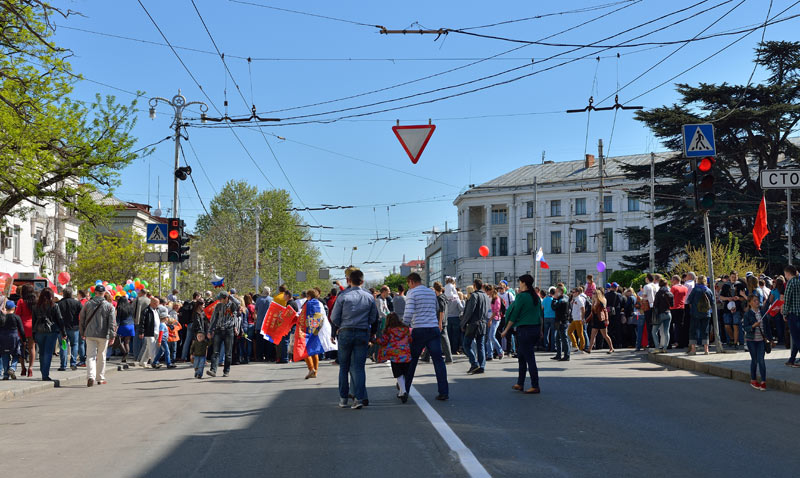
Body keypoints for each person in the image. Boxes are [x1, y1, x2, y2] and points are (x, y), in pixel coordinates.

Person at [330, 268, 378, 409]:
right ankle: (359, 398)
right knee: (359, 367)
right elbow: (373, 317)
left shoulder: (343, 296)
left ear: (349, 280)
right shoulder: (369, 297)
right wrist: (370, 330)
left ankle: (343, 399)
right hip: (362, 333)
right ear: (362, 281)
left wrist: (341, 325)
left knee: (344, 367)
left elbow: (334, 317)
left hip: (345, 332)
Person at [403, 272, 449, 401]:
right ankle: (443, 391)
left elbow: (409, 312)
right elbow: (436, 308)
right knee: (438, 360)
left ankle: (404, 389)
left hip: (419, 329)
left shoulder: (412, 293)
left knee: (412, 360)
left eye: (409, 284)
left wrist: (403, 326)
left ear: (411, 281)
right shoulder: (431, 292)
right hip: (433, 328)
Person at [501, 274, 543, 394]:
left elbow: (514, 315)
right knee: (521, 357)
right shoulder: (535, 296)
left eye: (520, 282)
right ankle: (520, 383)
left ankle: (535, 385)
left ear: (524, 283)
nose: (519, 283)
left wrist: (506, 330)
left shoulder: (521, 296)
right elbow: (540, 315)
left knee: (529, 358)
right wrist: (540, 330)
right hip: (534, 329)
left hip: (525, 330)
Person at [78, 288, 117, 387]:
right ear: (104, 293)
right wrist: (112, 336)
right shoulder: (109, 306)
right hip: (103, 335)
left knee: (90, 356)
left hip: (90, 333)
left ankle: (91, 376)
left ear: (95, 293)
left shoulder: (87, 304)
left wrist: (82, 332)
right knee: (101, 356)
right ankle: (100, 378)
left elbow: (81, 318)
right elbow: (112, 323)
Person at [376, 312, 412, 403]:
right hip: (406, 355)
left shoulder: (388, 331)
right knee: (404, 374)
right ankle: (401, 392)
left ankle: (403, 392)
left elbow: (383, 341)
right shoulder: (405, 329)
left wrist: (373, 339)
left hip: (395, 356)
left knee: (398, 374)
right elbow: (410, 339)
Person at [31, 288, 66, 381]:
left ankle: (43, 371)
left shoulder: (35, 306)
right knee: (48, 353)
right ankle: (45, 374)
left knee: (42, 352)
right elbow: (59, 319)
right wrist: (63, 332)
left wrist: (33, 333)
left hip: (39, 331)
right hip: (52, 331)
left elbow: (33, 321)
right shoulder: (54, 306)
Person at [208, 291, 240, 377]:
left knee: (228, 352)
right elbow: (213, 318)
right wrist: (210, 330)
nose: (220, 300)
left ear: (226, 298)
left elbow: (238, 303)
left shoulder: (232, 305)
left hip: (228, 330)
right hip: (218, 330)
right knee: (215, 351)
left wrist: (230, 297)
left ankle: (226, 371)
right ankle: (213, 370)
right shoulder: (218, 306)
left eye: (221, 299)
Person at [461, 278, 489, 375]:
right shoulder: (486, 296)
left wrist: (463, 323)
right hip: (483, 323)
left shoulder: (474, 295)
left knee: (466, 344)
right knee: (480, 346)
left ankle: (474, 363)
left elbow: (469, 311)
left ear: (474, 285)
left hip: (474, 324)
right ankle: (481, 366)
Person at [299, 289, 325, 379]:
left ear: (309, 296)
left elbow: (303, 315)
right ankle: (315, 371)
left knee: (305, 350)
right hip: (317, 328)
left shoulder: (308, 304)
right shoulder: (319, 303)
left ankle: (311, 368)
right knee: (314, 351)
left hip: (307, 328)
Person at [743, 294, 767, 390]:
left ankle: (763, 381)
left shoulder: (762, 312)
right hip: (751, 340)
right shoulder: (747, 314)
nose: (757, 302)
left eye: (757, 300)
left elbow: (767, 327)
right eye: (754, 300)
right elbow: (745, 328)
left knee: (761, 360)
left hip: (761, 340)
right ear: (750, 303)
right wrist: (753, 326)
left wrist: (770, 339)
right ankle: (753, 379)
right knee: (755, 360)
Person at [686, 275, 714, 355]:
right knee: (705, 330)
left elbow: (689, 300)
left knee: (693, 330)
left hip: (695, 313)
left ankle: (693, 350)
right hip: (706, 313)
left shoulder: (695, 290)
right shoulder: (708, 290)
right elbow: (712, 302)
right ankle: (706, 350)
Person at [57, 287, 82, 371]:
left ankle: (63, 365)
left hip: (62, 328)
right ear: (71, 294)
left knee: (63, 346)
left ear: (63, 294)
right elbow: (82, 314)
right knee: (74, 345)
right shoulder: (77, 303)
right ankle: (73, 363)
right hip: (74, 327)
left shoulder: (59, 304)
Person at [15, 284, 36, 377]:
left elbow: (17, 314)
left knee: (21, 348)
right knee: (32, 347)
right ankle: (30, 368)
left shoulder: (21, 301)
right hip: (32, 326)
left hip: (22, 326)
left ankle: (23, 368)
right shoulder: (35, 301)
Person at [1, 301, 25, 380]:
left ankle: (5, 374)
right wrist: (24, 339)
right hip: (14, 337)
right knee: (16, 354)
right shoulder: (16, 317)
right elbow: (21, 329)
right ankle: (12, 368)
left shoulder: (2, 317)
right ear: (14, 308)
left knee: (5, 355)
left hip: (3, 337)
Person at [782, 265, 800, 367]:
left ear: (788, 273)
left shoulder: (790, 283)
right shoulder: (799, 281)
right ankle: (792, 359)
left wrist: (784, 313)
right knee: (797, 337)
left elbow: (787, 300)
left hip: (793, 314)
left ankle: (792, 359)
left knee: (796, 338)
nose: (785, 276)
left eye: (785, 274)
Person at [136, 297, 160, 368]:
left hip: (156, 331)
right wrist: (141, 332)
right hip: (149, 332)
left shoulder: (156, 310)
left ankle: (143, 362)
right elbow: (142, 322)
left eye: (157, 303)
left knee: (148, 348)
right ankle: (154, 362)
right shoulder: (146, 310)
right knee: (152, 347)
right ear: (151, 302)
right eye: (155, 302)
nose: (157, 304)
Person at [550, 286, 570, 361]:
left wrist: (554, 299)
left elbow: (554, 307)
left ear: (560, 292)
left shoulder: (562, 300)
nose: (555, 293)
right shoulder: (563, 298)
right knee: (558, 338)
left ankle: (566, 355)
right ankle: (558, 354)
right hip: (559, 320)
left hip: (562, 320)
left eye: (557, 291)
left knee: (564, 338)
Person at [253, 287, 273, 362]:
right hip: (268, 323)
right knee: (268, 342)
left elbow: (255, 312)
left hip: (259, 323)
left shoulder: (259, 300)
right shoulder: (271, 300)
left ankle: (259, 357)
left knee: (259, 342)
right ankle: (268, 357)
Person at [669, 275, 688, 349]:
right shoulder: (685, 288)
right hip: (682, 307)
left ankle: (671, 342)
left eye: (672, 280)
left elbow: (670, 297)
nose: (671, 282)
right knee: (680, 326)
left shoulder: (673, 288)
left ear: (675, 280)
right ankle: (680, 342)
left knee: (670, 326)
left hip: (673, 308)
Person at [486, 284, 504, 360]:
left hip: (495, 319)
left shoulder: (496, 298)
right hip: (488, 318)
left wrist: (490, 320)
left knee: (492, 336)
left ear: (491, 291)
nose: (486, 292)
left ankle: (500, 351)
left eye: (487, 291)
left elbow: (496, 311)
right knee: (489, 338)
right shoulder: (489, 297)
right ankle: (490, 355)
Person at [115, 296, 135, 363]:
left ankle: (124, 352)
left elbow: (118, 319)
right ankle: (125, 356)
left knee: (119, 341)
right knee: (127, 342)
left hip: (123, 325)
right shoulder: (131, 307)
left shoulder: (120, 308)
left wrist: (116, 327)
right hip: (131, 325)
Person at [567, 288, 586, 352]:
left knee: (580, 334)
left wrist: (582, 318)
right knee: (569, 332)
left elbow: (583, 309)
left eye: (574, 292)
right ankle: (575, 346)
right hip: (575, 319)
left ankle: (581, 348)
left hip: (578, 319)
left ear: (577, 293)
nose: (572, 293)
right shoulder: (575, 299)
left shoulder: (579, 299)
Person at [542, 287, 556, 353]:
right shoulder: (554, 299)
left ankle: (546, 346)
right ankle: (553, 347)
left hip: (546, 316)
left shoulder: (545, 299)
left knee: (546, 333)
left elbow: (542, 307)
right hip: (553, 317)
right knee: (553, 333)